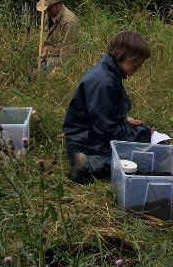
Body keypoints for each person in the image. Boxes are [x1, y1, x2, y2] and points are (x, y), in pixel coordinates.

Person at [63, 31, 152, 183]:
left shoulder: (109, 73)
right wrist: (141, 135)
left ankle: (89, 159)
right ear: (122, 55)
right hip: (85, 139)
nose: (139, 66)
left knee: (141, 143)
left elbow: (103, 114)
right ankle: (88, 164)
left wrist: (126, 121)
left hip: (89, 133)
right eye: (137, 61)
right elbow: (107, 130)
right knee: (138, 162)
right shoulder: (104, 82)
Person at [37, 0, 79, 72]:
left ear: (56, 5)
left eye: (49, 9)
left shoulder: (69, 22)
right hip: (47, 56)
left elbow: (68, 49)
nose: (47, 12)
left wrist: (58, 69)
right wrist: (45, 49)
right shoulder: (49, 15)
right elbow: (48, 35)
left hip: (60, 60)